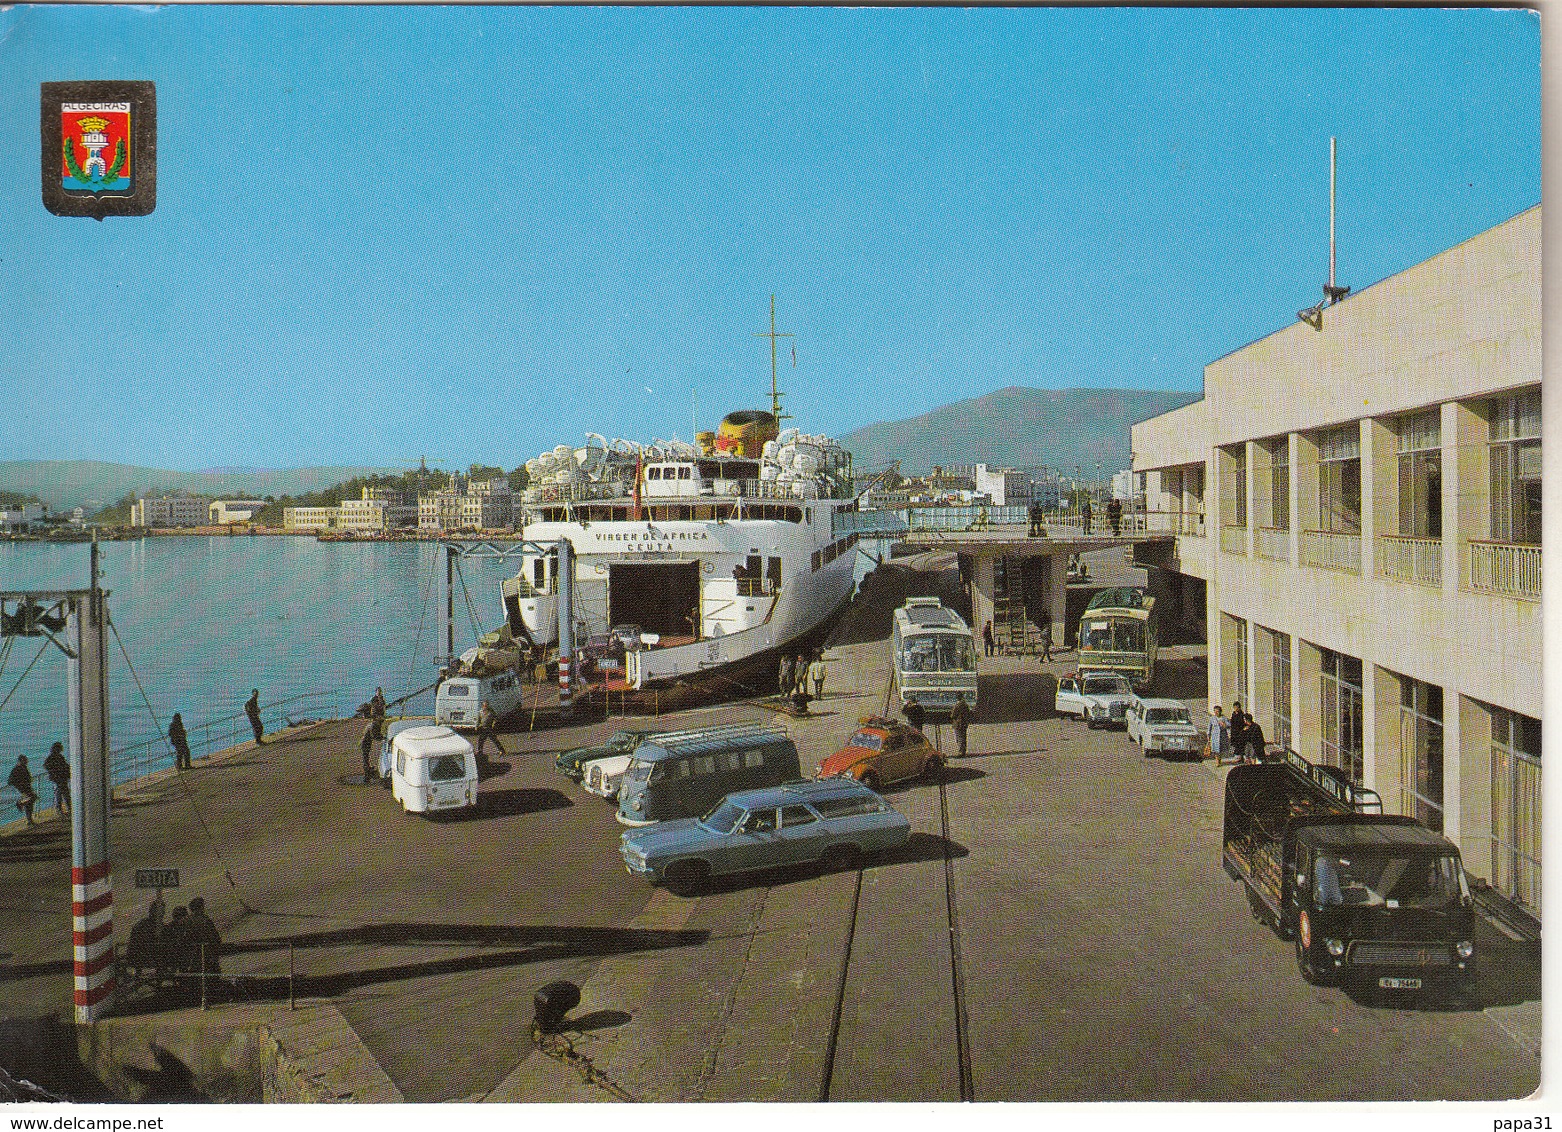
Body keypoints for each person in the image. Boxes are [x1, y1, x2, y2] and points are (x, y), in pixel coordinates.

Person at [183, 896, 222, 979]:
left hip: (192, 956)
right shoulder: (205, 920)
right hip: (205, 955)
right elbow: (216, 938)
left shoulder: (186, 920)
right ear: (200, 908)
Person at [125, 898, 165, 974]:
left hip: (138, 957)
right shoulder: (147, 926)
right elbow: (145, 945)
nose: (162, 914)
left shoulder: (142, 924)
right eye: (161, 911)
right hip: (143, 958)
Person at [8, 754, 37, 826]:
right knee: (32, 798)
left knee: (30, 803)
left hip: (27, 787)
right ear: (21, 760)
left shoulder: (24, 767)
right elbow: (10, 781)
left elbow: (27, 777)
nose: (27, 761)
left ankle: (29, 820)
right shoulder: (16, 769)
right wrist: (19, 785)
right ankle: (20, 803)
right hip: (22, 789)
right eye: (25, 760)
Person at [475, 701, 506, 767]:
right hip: (483, 728)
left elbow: (496, 718)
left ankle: (502, 750)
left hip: (489, 728)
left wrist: (494, 723)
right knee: (481, 740)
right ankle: (480, 751)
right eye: (484, 706)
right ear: (482, 706)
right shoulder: (480, 712)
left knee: (494, 740)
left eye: (486, 706)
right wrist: (476, 726)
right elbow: (478, 720)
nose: (485, 707)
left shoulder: (491, 712)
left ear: (488, 706)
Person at [43, 742, 70, 817]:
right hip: (58, 779)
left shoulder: (58, 756)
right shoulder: (53, 757)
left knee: (63, 795)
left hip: (61, 779)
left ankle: (65, 810)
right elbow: (47, 766)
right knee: (60, 795)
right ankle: (60, 811)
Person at [360, 718, 379, 783]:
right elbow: (373, 735)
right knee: (365, 757)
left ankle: (368, 768)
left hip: (366, 742)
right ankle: (367, 770)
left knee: (366, 756)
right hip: (365, 742)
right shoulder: (372, 726)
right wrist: (380, 738)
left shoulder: (370, 725)